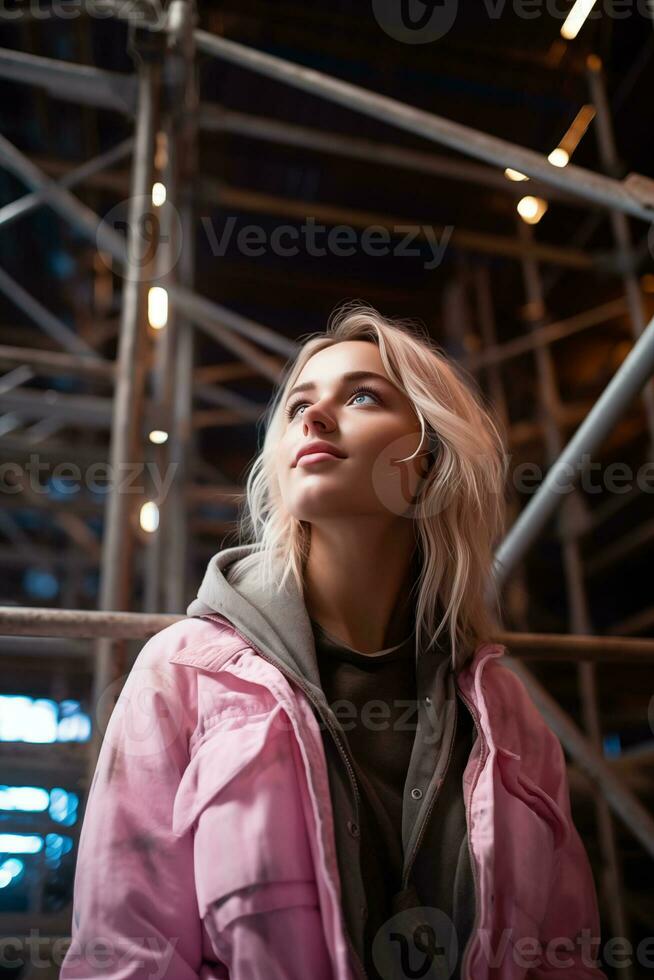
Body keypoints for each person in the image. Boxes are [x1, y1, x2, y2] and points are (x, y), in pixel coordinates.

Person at [60, 301, 607, 980]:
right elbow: (126, 956)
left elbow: (565, 958)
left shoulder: (508, 712)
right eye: (297, 407)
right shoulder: (183, 674)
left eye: (363, 396)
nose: (313, 419)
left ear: (429, 461)